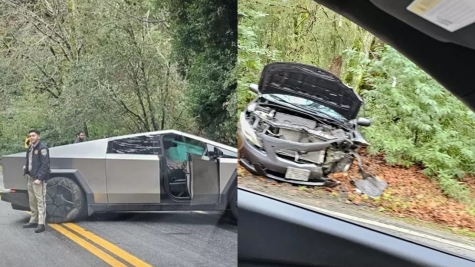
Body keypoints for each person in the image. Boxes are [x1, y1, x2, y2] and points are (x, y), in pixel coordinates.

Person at [22, 129, 50, 233]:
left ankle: (41, 223)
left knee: (40, 201)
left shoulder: (42, 148)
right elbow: (31, 161)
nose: (31, 138)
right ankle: (33, 220)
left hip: (38, 179)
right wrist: (26, 169)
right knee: (32, 200)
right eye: (30, 136)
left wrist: (39, 178)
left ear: (38, 136)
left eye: (33, 136)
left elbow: (45, 165)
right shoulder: (30, 147)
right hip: (30, 178)